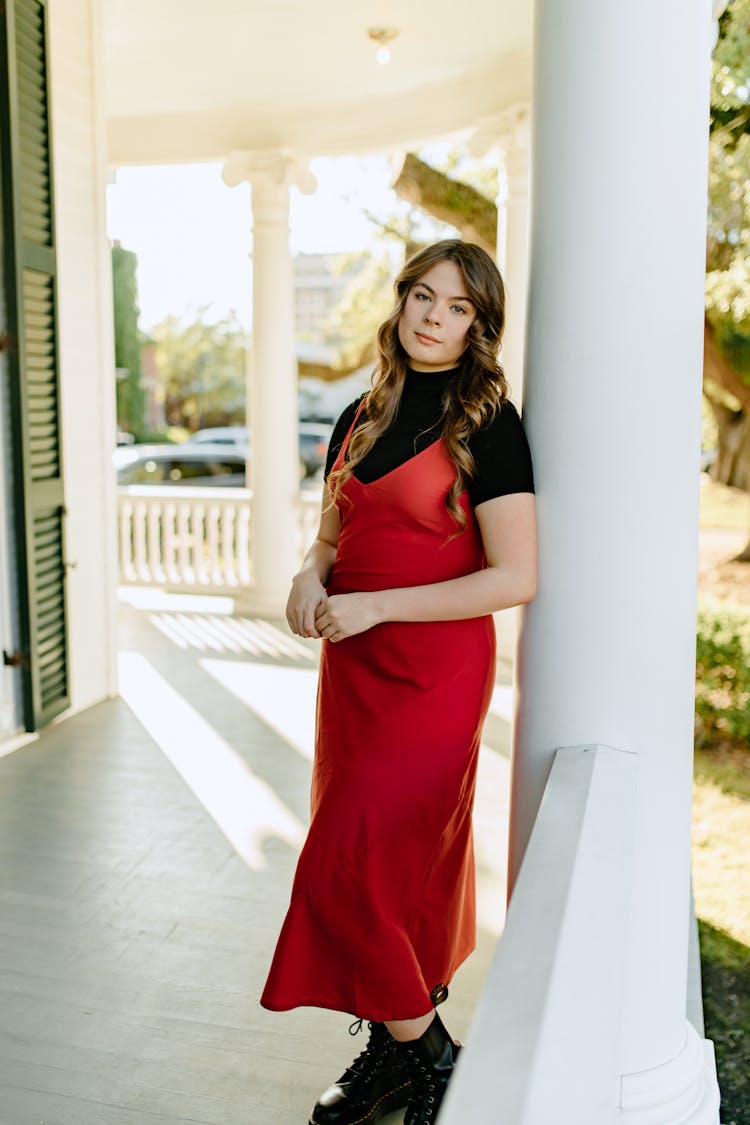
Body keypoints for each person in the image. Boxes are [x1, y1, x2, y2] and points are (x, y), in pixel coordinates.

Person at [261, 239, 537, 1125]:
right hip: (353, 673)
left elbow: (515, 576)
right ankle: (392, 1057)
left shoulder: (490, 421)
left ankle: (437, 1064)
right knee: (390, 870)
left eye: (456, 306)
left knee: (350, 861)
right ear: (401, 300)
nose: (431, 315)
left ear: (478, 325)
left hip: (432, 675)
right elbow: (332, 539)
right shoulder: (360, 414)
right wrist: (309, 576)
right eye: (422, 294)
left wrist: (381, 609)